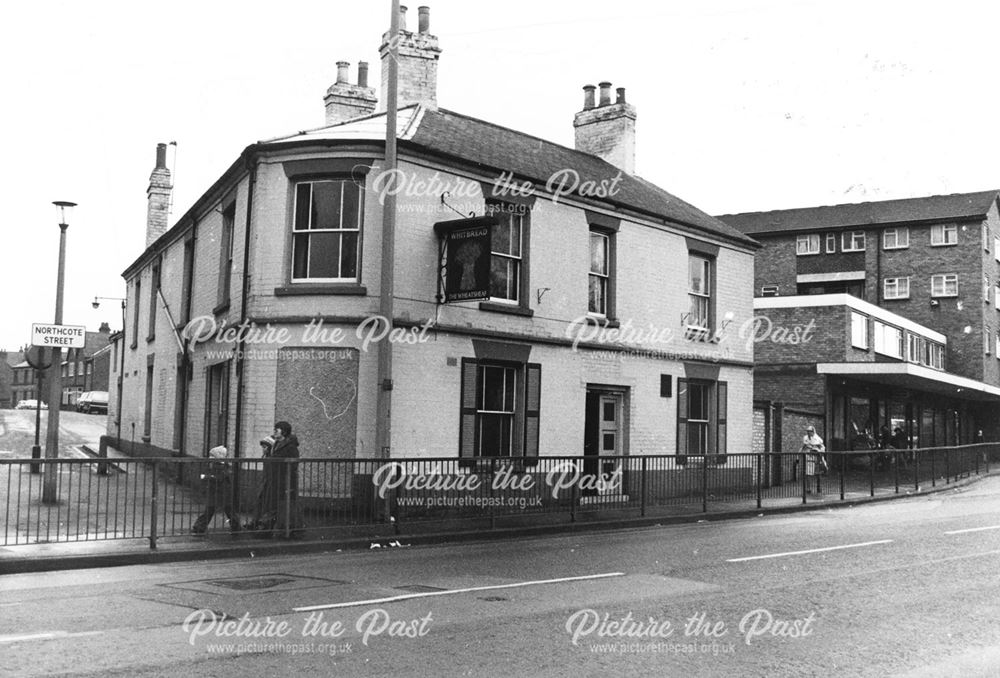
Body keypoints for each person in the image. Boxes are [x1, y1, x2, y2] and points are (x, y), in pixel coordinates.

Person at [192, 445, 240, 535]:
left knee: (225, 510)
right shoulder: (218, 465)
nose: (210, 457)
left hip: (222, 492)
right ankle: (199, 527)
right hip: (218, 491)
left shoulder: (222, 466)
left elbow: (219, 478)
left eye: (212, 456)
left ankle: (199, 527)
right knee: (213, 509)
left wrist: (206, 477)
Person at [270, 421, 304, 537]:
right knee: (280, 501)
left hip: (287, 478)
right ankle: (282, 526)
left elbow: (294, 462)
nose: (274, 431)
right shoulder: (276, 443)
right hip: (277, 477)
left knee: (288, 502)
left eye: (277, 429)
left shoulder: (290, 446)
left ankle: (291, 528)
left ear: (283, 431)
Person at [800, 425, 826, 494]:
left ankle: (819, 487)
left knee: (818, 473)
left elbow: (822, 447)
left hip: (816, 457)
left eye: (810, 431)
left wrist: (818, 452)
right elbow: (804, 446)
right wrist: (799, 453)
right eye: (807, 431)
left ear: (813, 432)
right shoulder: (805, 438)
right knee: (808, 473)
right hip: (808, 456)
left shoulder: (818, 439)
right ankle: (808, 488)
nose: (808, 433)